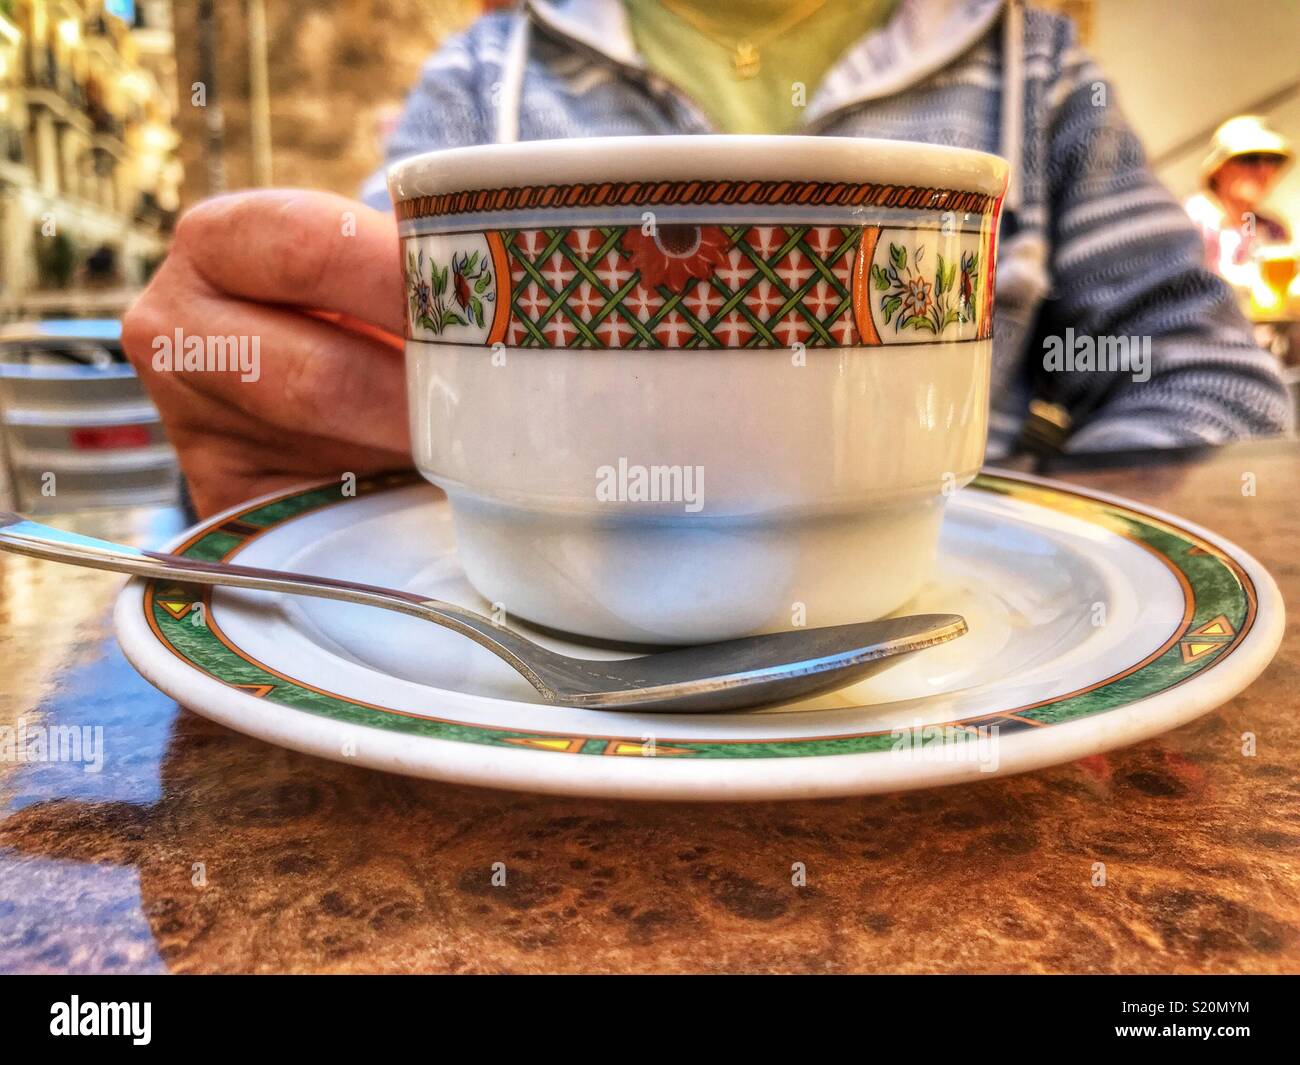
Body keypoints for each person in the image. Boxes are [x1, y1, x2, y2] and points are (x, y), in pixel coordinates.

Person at [123, 0, 1294, 518]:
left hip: (934, 697)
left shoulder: (1034, 69)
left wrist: (1018, 562)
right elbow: (345, 376)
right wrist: (272, 420)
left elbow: (1210, 379)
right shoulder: (488, 75)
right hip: (528, 679)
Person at [1185, 115, 1293, 289]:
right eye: (1251, 158)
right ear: (1219, 168)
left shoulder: (1273, 231)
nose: (1264, 169)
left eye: (1273, 159)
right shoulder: (1191, 221)